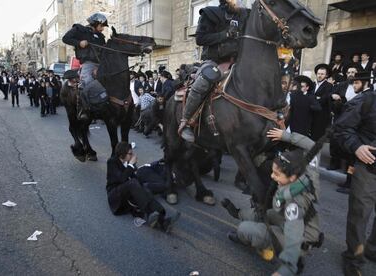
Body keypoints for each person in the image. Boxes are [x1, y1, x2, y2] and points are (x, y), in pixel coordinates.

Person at [227, 129, 325, 276]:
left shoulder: (295, 203)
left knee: (244, 228)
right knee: (264, 214)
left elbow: (294, 235)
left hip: (299, 237)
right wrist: (285, 136)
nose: (272, 176)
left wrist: (287, 269)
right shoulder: (307, 173)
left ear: (292, 177)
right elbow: (313, 146)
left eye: (277, 174)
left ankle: (297, 260)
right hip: (292, 223)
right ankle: (239, 214)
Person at [178, 0, 249, 142]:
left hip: (239, 60)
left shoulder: (245, 15)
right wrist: (226, 35)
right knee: (205, 80)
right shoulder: (210, 13)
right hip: (214, 61)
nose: (238, 2)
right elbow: (200, 38)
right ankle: (186, 122)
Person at [333, 71, 376, 276]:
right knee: (360, 214)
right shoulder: (366, 101)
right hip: (368, 167)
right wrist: (357, 146)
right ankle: (353, 258)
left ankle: (372, 250)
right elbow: (341, 129)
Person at [106, 142, 180, 232]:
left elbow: (136, 181)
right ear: (122, 154)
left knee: (144, 188)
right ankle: (150, 214)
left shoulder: (129, 164)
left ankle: (163, 219)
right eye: (130, 154)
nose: (132, 155)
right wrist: (130, 165)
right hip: (115, 196)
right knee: (133, 183)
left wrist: (144, 188)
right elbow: (122, 179)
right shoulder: (112, 162)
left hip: (128, 195)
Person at [62, 12, 108, 88]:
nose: (103, 29)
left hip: (101, 65)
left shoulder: (101, 37)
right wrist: (79, 43)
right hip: (88, 64)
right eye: (101, 26)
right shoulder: (80, 30)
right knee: (88, 83)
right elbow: (65, 38)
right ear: (95, 23)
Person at [327, 65, 358, 173]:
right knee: (335, 140)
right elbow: (331, 96)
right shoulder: (341, 85)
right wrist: (334, 97)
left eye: (353, 72)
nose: (350, 74)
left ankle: (347, 167)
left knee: (349, 142)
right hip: (340, 117)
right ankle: (334, 163)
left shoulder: (360, 86)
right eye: (349, 72)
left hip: (354, 119)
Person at [311, 63, 333, 141]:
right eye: (318, 74)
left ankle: (316, 152)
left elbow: (323, 100)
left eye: (322, 74)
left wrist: (314, 98)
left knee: (317, 136)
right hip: (310, 114)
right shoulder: (312, 84)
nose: (319, 75)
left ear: (326, 75)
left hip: (321, 115)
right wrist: (316, 98)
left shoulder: (329, 86)